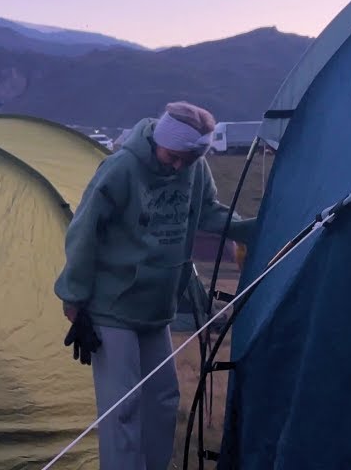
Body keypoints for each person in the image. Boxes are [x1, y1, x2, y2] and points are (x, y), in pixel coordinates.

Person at [54, 101, 258, 470]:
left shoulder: (193, 168)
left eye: (189, 159)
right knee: (123, 408)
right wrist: (74, 296)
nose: (178, 165)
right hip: (112, 306)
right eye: (173, 156)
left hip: (157, 306)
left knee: (163, 399)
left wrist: (256, 227)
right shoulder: (121, 169)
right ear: (158, 141)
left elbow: (207, 211)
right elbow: (83, 232)